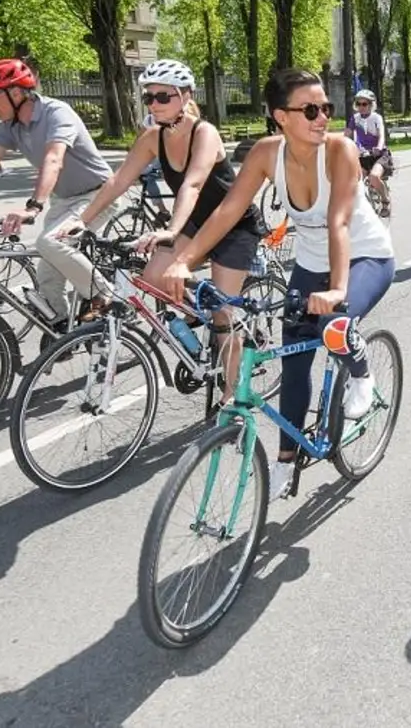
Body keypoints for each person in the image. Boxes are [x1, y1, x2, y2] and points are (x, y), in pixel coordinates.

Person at [153, 68, 396, 500]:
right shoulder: (267, 153)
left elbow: (337, 223)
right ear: (280, 116)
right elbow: (227, 212)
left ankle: (362, 376)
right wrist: (184, 261)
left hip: (365, 258)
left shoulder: (339, 150)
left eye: (326, 107)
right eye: (310, 109)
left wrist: (337, 289)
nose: (322, 117)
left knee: (334, 326)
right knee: (295, 361)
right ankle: (286, 460)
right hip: (310, 264)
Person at [51, 59, 265, 395]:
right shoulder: (153, 137)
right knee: (153, 280)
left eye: (163, 97)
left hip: (233, 224)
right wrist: (82, 219)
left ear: (185, 96)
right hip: (195, 222)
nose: (153, 104)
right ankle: (201, 308)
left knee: (224, 316)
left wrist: (170, 229)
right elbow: (119, 180)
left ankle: (231, 398)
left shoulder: (204, 132)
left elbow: (192, 185)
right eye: (149, 97)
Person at [0, 58, 117, 332]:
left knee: (52, 244)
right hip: (63, 199)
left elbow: (53, 158)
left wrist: (33, 208)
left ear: (17, 93)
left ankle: (107, 298)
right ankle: (63, 332)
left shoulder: (57, 113)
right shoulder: (11, 126)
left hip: (97, 194)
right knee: (47, 276)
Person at [347, 88, 393, 217]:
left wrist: (378, 147)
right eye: (358, 104)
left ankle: (385, 201)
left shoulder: (376, 118)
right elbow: (347, 135)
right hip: (363, 154)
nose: (361, 107)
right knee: (355, 179)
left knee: (374, 176)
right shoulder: (355, 119)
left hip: (378, 154)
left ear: (371, 105)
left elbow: (381, 136)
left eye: (364, 104)